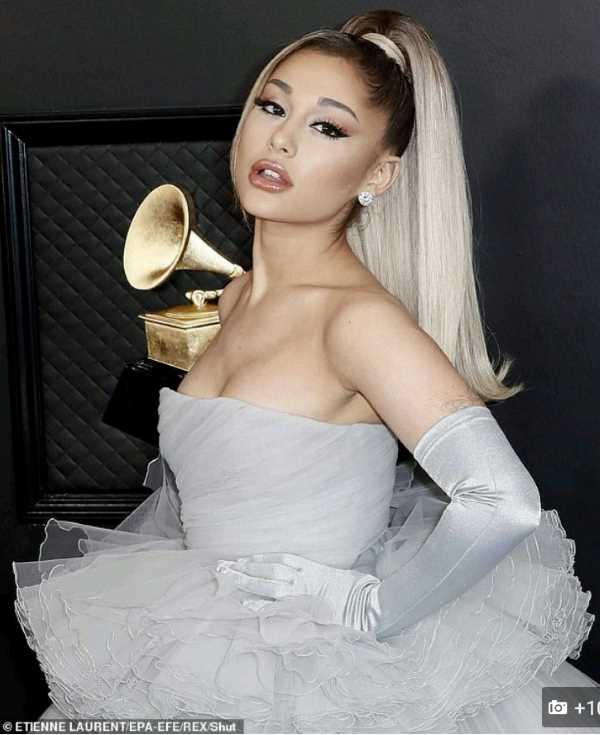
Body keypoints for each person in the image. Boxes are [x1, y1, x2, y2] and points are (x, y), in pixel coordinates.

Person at [15, 8, 598, 733]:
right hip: (203, 639)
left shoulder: (357, 322)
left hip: (315, 673)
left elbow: (503, 500)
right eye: (272, 106)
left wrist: (370, 606)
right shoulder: (236, 299)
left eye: (327, 127)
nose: (282, 139)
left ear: (378, 173)